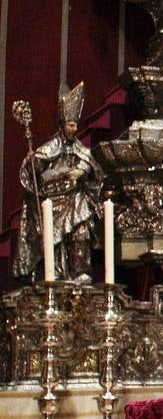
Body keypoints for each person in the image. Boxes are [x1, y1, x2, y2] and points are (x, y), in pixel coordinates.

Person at [14, 83, 102, 282]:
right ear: (62, 125)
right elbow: (34, 171)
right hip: (52, 200)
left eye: (75, 124)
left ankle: (81, 271)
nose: (75, 128)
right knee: (53, 237)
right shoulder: (51, 147)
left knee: (81, 227)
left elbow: (92, 165)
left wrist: (82, 170)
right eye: (71, 124)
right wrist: (32, 162)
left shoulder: (79, 147)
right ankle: (55, 272)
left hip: (74, 196)